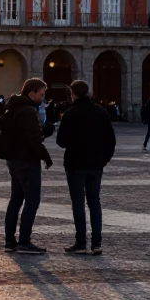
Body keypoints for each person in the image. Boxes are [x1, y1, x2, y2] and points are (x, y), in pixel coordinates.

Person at [56, 79, 116, 255]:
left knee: (78, 204)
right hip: (96, 165)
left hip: (75, 165)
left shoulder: (70, 114)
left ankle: (81, 243)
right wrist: (103, 160)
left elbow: (61, 142)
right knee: (94, 203)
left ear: (73, 94)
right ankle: (97, 243)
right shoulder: (101, 112)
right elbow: (111, 141)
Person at [3, 77, 52, 255]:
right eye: (41, 94)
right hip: (26, 161)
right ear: (31, 93)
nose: (42, 98)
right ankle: (24, 242)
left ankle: (10, 241)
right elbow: (32, 139)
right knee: (32, 200)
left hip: (13, 160)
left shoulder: (13, 108)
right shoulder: (28, 111)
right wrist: (46, 155)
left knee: (16, 200)